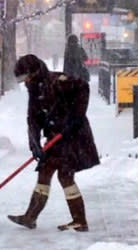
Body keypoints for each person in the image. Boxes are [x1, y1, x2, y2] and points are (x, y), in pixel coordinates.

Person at [9, 54, 100, 232]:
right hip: (54, 137)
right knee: (44, 172)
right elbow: (33, 119)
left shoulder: (57, 81)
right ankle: (30, 217)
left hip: (72, 136)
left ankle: (80, 220)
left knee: (65, 176)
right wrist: (34, 144)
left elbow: (83, 88)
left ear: (33, 72)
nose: (24, 81)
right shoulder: (34, 89)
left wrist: (74, 118)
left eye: (25, 77)